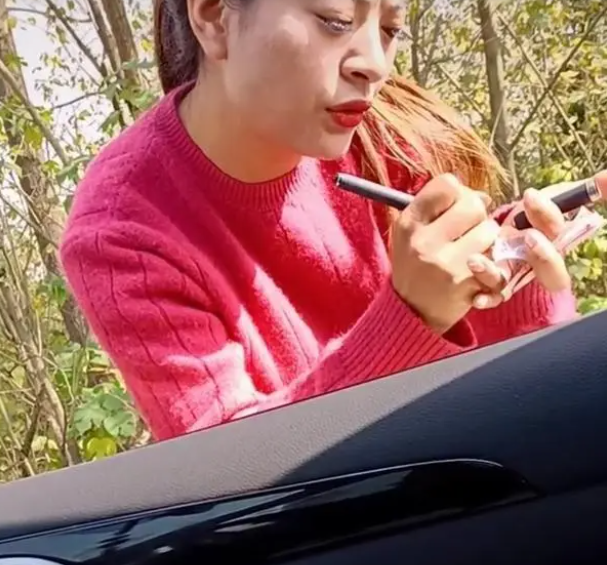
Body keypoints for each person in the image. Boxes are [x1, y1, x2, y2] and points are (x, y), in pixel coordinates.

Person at [59, 0, 578, 443]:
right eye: (335, 21)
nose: (374, 65)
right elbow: (229, 471)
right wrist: (412, 316)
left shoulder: (389, 135)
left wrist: (515, 272)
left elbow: (517, 401)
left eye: (390, 29)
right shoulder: (121, 230)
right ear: (214, 17)